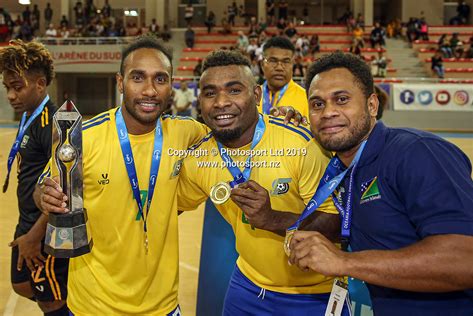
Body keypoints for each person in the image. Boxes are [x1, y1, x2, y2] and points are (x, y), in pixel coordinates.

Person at [34, 35, 302, 315]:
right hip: (92, 305)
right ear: (120, 82)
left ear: (171, 85)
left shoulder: (186, 133)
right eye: (138, 78)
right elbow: (46, 187)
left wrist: (279, 118)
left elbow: (236, 126)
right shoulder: (84, 138)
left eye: (160, 79)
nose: (150, 90)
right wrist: (45, 195)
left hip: (162, 306)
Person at [289, 51, 473, 315]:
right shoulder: (343, 168)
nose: (328, 112)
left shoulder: (416, 152)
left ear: (372, 105)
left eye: (341, 99)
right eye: (317, 104)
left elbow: (466, 259)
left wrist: (344, 262)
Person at [177, 50, 349, 316]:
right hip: (246, 287)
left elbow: (339, 223)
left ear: (257, 96)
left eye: (234, 90)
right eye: (210, 93)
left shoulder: (300, 144)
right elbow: (168, 205)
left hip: (315, 293)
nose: (221, 102)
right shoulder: (199, 158)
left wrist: (273, 218)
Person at [1, 40, 69, 315]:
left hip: (45, 229)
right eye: (7, 88)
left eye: (17, 87)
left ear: (40, 84)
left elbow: (63, 190)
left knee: (50, 302)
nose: (10, 96)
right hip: (26, 220)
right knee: (20, 284)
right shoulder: (29, 114)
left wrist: (33, 236)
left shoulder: (53, 124)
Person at [259, 36, 309, 119]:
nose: (279, 67)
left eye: (286, 61)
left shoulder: (307, 99)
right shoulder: (251, 98)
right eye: (273, 60)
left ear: (293, 64)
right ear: (262, 65)